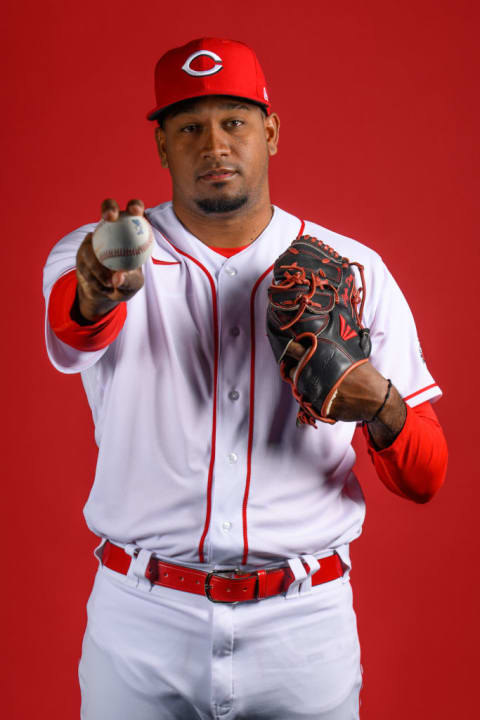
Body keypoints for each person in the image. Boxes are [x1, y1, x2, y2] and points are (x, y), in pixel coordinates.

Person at [43, 37, 448, 720]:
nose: (214, 144)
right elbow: (75, 326)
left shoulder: (355, 271)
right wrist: (99, 287)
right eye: (189, 127)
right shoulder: (93, 253)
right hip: (140, 622)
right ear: (162, 147)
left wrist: (378, 401)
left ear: (271, 132)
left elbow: (425, 475)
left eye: (233, 121)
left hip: (303, 630)